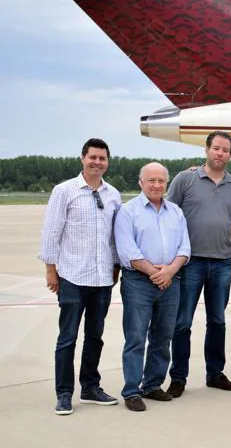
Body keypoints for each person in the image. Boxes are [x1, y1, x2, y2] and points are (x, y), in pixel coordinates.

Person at [39, 138, 122, 415]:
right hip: (73, 276)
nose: (97, 162)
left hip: (102, 279)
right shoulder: (65, 191)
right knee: (68, 337)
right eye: (93, 157)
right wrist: (51, 269)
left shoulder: (113, 194)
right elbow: (52, 232)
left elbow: (115, 236)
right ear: (82, 159)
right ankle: (64, 393)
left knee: (95, 336)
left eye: (102, 158)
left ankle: (90, 387)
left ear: (107, 162)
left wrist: (116, 267)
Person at [166, 131, 231, 397]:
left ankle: (215, 373)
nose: (220, 153)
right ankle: (178, 377)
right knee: (182, 322)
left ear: (230, 155)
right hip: (190, 262)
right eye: (216, 148)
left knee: (217, 321)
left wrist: (220, 233)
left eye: (225, 150)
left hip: (222, 261)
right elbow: (169, 214)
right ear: (206, 150)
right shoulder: (185, 179)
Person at [114, 163, 191, 411]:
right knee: (136, 337)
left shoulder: (176, 212)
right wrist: (154, 272)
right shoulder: (128, 211)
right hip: (138, 282)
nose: (157, 185)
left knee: (163, 336)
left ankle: (153, 385)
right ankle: (132, 391)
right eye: (151, 180)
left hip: (171, 281)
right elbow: (127, 250)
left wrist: (169, 271)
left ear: (167, 183)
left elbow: (185, 248)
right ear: (141, 182)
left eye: (161, 181)